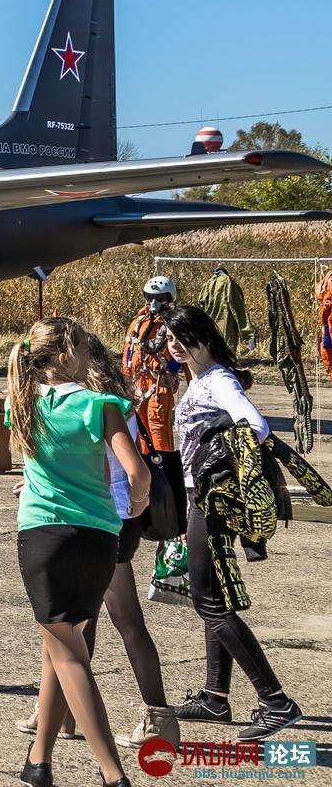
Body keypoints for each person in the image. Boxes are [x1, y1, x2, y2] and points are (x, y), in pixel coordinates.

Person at [14, 334, 177, 749]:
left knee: (114, 621)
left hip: (104, 519)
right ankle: (63, 711)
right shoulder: (111, 402)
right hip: (114, 519)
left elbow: (110, 468)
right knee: (82, 622)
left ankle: (156, 717)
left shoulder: (94, 405)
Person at [164, 305, 306, 743]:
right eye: (168, 338)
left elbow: (256, 426)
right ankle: (215, 697)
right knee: (213, 596)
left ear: (203, 338)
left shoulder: (218, 380)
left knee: (209, 602)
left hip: (213, 501)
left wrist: (223, 465)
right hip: (200, 499)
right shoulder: (199, 380)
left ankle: (276, 701)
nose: (173, 345)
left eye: (180, 337)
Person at [119, 276, 180, 458]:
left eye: (160, 298)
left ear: (168, 298)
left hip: (159, 385)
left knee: (159, 430)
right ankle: (147, 469)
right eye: (151, 297)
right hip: (137, 385)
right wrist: (125, 385)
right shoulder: (138, 323)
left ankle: (165, 469)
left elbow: (184, 355)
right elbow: (128, 353)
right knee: (139, 431)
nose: (154, 302)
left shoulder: (174, 323)